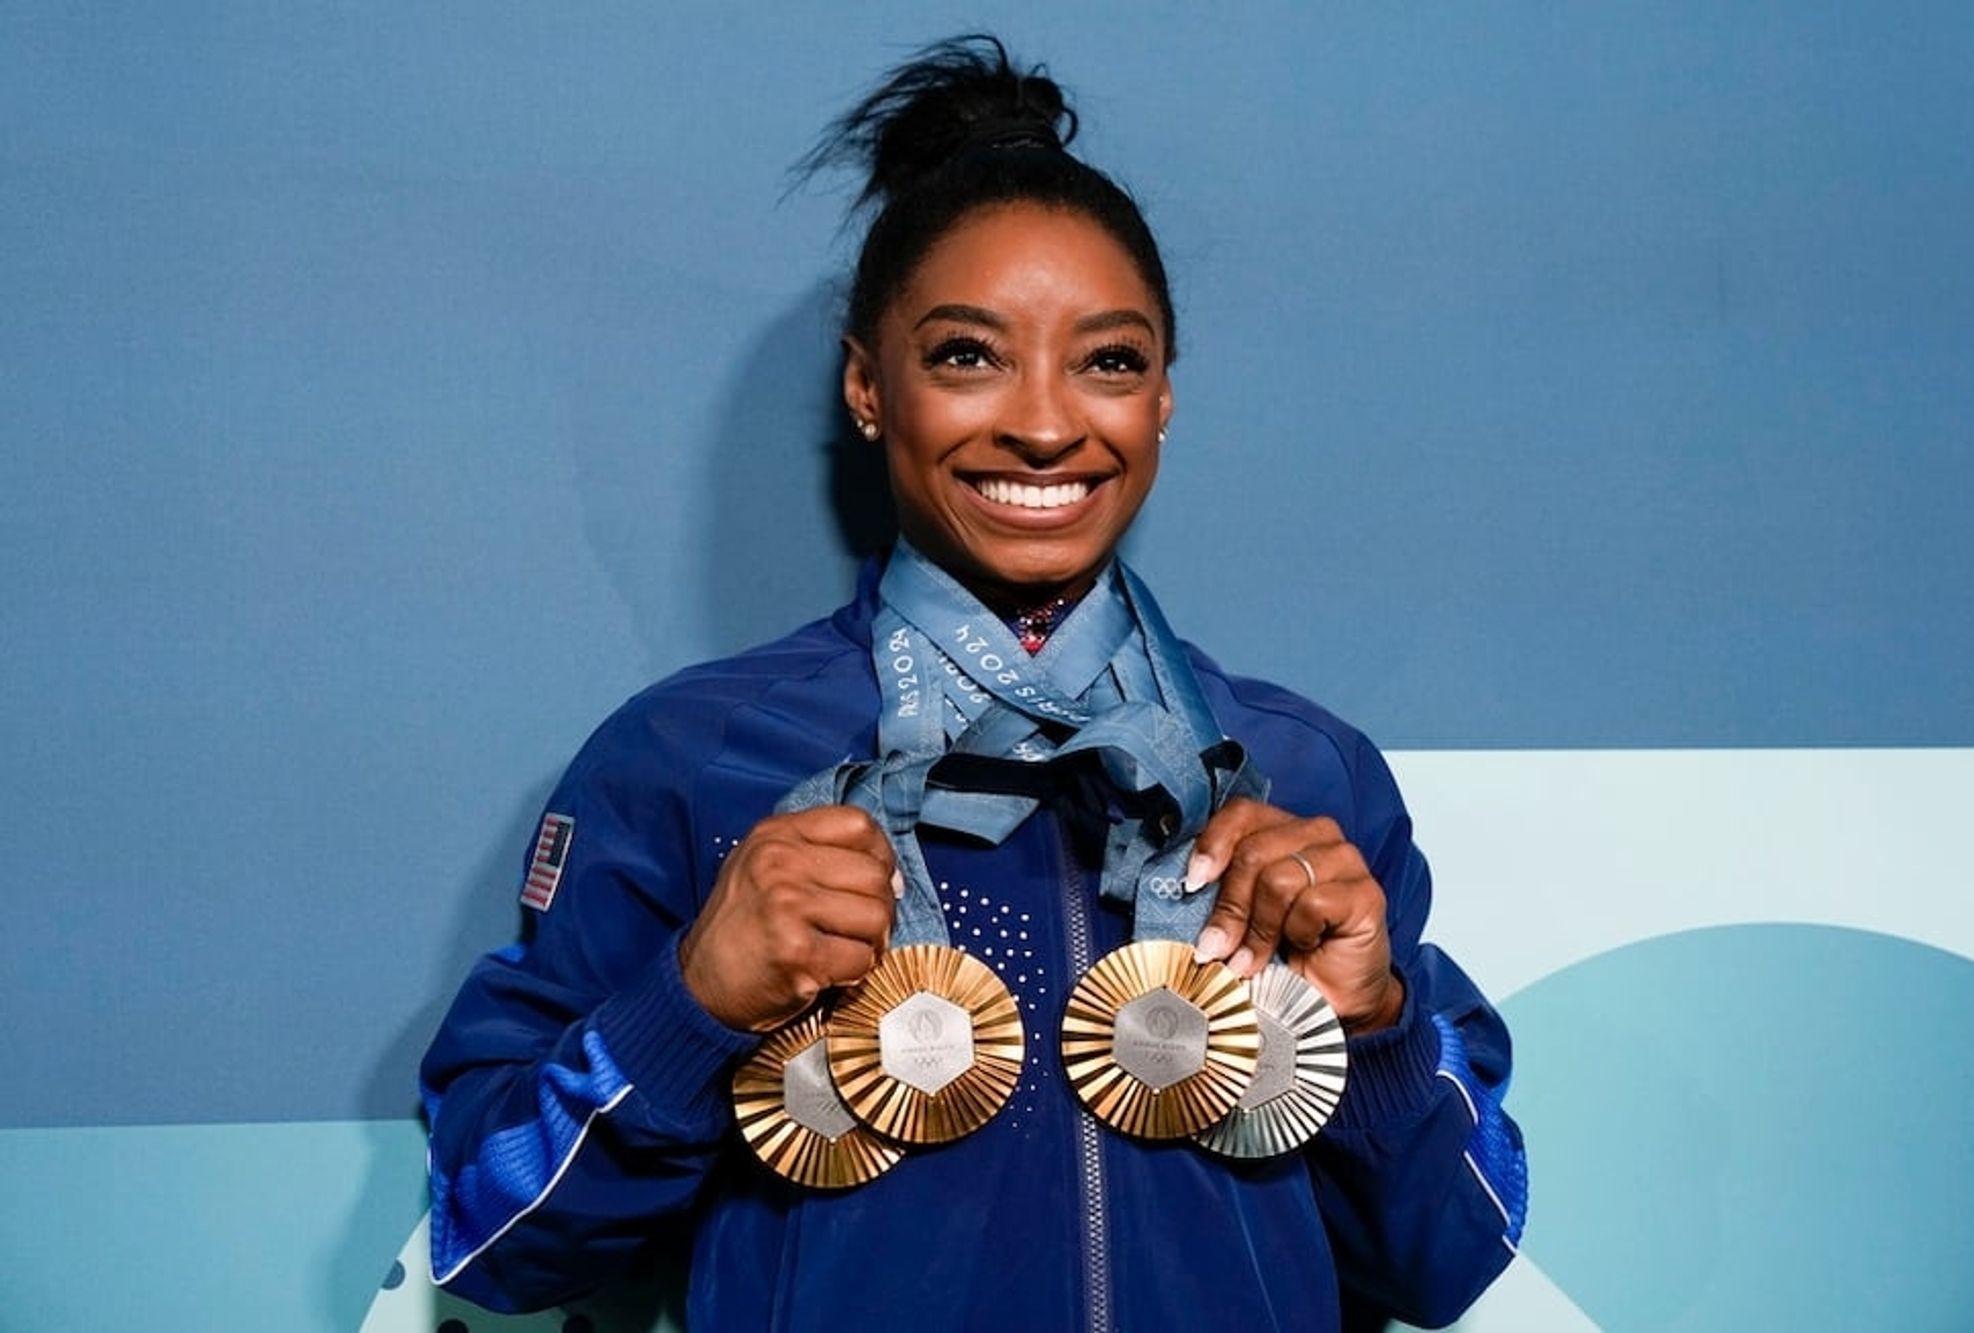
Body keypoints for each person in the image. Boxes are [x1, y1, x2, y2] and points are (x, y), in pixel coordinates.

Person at [421, 35, 1525, 1333]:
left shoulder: (1301, 772)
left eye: (1107, 359)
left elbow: (1458, 1254)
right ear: (867, 386)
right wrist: (691, 1004)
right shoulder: (693, 758)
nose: (1046, 422)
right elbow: (483, 1226)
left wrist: (1382, 1023)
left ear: (1163, 396)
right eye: (967, 355)